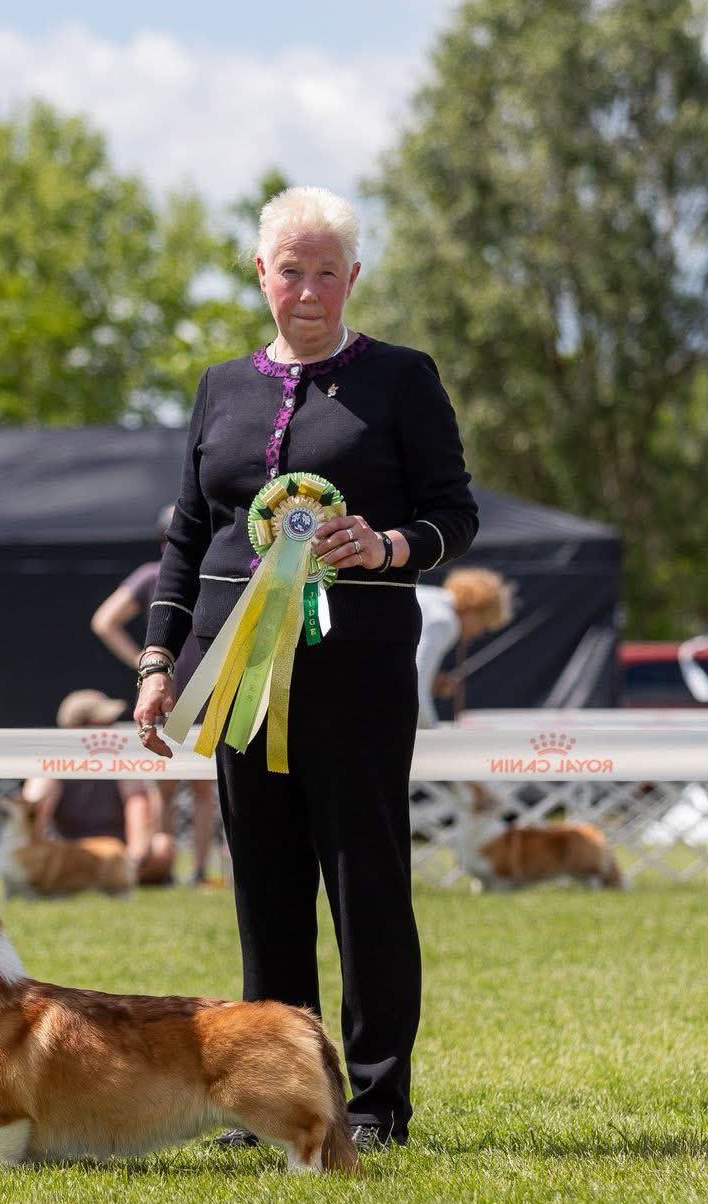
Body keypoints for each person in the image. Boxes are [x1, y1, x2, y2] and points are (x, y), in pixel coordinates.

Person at [133, 186, 479, 1150]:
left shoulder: (403, 379)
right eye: (292, 270)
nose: (310, 289)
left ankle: (373, 1103)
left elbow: (456, 513)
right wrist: (161, 656)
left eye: (329, 271)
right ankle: (274, 1091)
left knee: (366, 885)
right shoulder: (218, 387)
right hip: (236, 673)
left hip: (357, 673)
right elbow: (189, 532)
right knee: (266, 890)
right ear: (261, 274)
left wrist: (392, 546)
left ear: (354, 278)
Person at [89, 506, 218, 884]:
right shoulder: (197, 576)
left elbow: (104, 620)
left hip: (168, 692)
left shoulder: (153, 575)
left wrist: (144, 663)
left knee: (166, 788)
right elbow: (104, 621)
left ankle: (168, 869)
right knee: (201, 790)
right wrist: (147, 663)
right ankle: (194, 871)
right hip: (193, 690)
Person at [21, 689, 175, 884]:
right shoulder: (52, 766)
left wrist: (135, 858)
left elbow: (138, 804)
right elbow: (32, 814)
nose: (114, 728)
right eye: (106, 723)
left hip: (120, 853)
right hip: (75, 853)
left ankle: (122, 876)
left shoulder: (122, 760)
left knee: (162, 848)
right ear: (79, 728)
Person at [413, 567, 514, 726]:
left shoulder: (430, 599)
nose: (479, 633)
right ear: (475, 608)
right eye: (484, 623)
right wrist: (432, 733)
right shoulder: (445, 620)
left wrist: (431, 684)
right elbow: (414, 688)